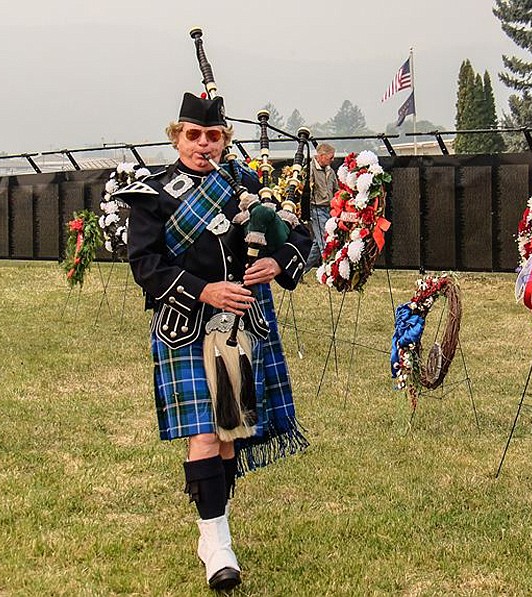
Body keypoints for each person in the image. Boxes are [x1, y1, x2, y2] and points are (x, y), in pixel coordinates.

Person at [122, 92, 311, 591]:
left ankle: (211, 532)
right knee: (206, 433)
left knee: (228, 437)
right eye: (193, 135)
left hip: (242, 326)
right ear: (176, 137)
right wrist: (204, 288)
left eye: (213, 136)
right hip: (185, 326)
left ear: (225, 140)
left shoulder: (249, 184)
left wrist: (281, 260)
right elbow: (145, 264)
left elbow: (300, 233)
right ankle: (220, 546)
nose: (203, 144)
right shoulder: (153, 193)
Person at [304, 143, 338, 270]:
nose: (333, 160)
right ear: (322, 156)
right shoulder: (309, 169)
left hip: (329, 210)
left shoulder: (330, 171)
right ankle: (330, 271)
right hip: (316, 209)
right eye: (331, 157)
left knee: (318, 245)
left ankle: (299, 270)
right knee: (325, 242)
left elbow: (336, 190)